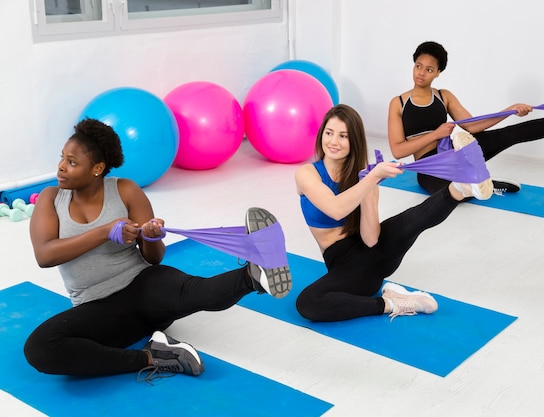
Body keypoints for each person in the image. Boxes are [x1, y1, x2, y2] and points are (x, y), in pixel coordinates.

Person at [23, 118, 292, 382]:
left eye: (72, 162)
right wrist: (104, 231)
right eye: (62, 158)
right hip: (98, 309)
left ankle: (254, 276)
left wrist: (150, 237)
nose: (60, 167)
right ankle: (155, 357)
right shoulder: (51, 198)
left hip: (144, 287)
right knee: (40, 347)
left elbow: (154, 258)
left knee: (196, 291)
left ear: (97, 168)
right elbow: (45, 255)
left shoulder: (125, 190)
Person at [294, 104, 492, 322]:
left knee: (409, 222)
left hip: (376, 255)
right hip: (350, 270)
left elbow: (371, 240)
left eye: (343, 136)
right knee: (308, 302)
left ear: (354, 142)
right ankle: (393, 303)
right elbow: (334, 208)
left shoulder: (363, 177)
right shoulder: (307, 174)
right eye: (329, 133)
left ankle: (460, 188)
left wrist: (369, 188)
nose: (333, 141)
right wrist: (370, 179)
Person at [387, 40, 544, 196]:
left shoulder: (444, 96)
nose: (421, 73)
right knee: (447, 194)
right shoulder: (398, 103)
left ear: (438, 73)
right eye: (418, 66)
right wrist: (435, 134)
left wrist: (508, 111)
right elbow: (398, 150)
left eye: (429, 69)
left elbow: (473, 126)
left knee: (511, 134)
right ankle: (484, 183)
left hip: (457, 152)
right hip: (429, 165)